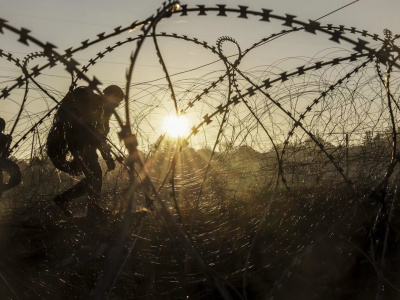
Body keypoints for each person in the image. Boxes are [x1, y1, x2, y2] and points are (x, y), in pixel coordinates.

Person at [48, 85, 124, 218]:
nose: (118, 105)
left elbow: (101, 137)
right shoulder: (96, 104)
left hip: (84, 145)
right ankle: (91, 209)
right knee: (95, 175)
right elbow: (96, 133)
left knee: (92, 177)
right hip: (82, 145)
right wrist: (106, 156)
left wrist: (107, 157)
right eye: (117, 100)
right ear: (111, 95)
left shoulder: (102, 109)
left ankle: (64, 199)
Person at [0, 118, 22, 197]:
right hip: (1, 162)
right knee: (16, 173)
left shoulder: (4, 137)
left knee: (16, 174)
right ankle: (3, 188)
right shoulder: (3, 137)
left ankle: (2, 188)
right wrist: (7, 141)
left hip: (2, 161)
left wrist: (8, 142)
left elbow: (5, 153)